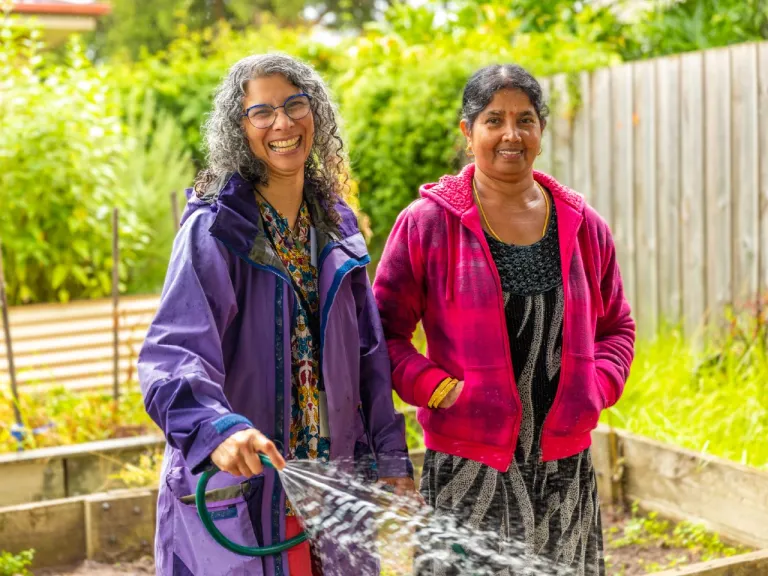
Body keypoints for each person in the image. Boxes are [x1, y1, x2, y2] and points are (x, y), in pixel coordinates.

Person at [139, 53, 413, 576]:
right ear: (238, 130)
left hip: (331, 489)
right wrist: (217, 431)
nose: (283, 123)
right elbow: (172, 354)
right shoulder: (215, 229)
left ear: (318, 115)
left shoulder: (335, 224)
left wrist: (392, 461)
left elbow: (369, 359)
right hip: (248, 492)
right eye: (261, 112)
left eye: (295, 105)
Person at [373, 64, 635, 575]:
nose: (511, 134)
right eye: (494, 120)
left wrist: (595, 386)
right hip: (469, 468)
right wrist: (434, 386)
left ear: (540, 131)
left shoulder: (584, 226)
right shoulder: (428, 224)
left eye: (525, 119)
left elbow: (617, 327)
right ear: (467, 133)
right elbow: (382, 332)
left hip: (564, 470)